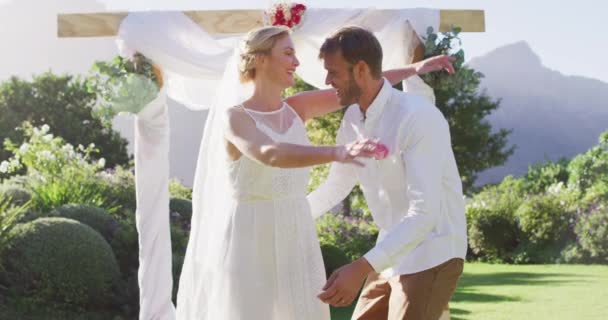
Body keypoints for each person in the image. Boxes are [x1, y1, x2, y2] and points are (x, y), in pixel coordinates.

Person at [175, 25, 456, 320]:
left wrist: (413, 69)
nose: (296, 62)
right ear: (259, 59)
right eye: (287, 53)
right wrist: (337, 152)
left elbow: (365, 82)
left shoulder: (297, 108)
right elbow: (270, 153)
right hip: (249, 242)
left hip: (296, 239)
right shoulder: (236, 118)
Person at [310, 26, 467, 320]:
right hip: (391, 251)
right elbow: (336, 184)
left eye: (333, 72)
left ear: (360, 69)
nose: (327, 81)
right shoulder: (353, 118)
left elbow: (424, 213)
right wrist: (287, 215)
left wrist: (359, 268)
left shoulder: (417, 117)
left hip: (433, 249)